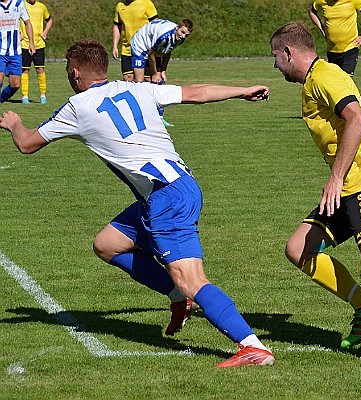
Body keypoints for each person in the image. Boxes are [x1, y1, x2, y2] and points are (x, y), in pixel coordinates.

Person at [0, 39, 275, 368]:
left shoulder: (77, 107)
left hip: (165, 198)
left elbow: (27, 143)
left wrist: (14, 123)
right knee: (107, 245)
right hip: (177, 186)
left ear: (74, 73)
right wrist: (242, 90)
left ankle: (252, 345)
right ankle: (178, 299)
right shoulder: (138, 88)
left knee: (190, 279)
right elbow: (195, 92)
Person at [270, 22, 361, 349]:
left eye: (275, 56)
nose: (274, 65)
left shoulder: (325, 75)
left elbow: (357, 118)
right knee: (299, 248)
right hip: (349, 187)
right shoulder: (317, 78)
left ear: (289, 52)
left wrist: (336, 177)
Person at [309, 0, 361, 75]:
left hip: (350, 48)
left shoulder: (353, 1)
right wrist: (322, 29)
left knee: (346, 79)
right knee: (335, 80)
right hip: (332, 50)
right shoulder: (323, 2)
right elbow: (312, 11)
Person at [130, 18, 193, 84]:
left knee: (159, 80)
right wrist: (154, 73)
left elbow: (167, 52)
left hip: (153, 46)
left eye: (186, 35)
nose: (183, 36)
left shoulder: (180, 38)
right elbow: (151, 54)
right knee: (139, 81)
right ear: (177, 27)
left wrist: (163, 71)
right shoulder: (164, 36)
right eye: (182, 32)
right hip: (140, 44)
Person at [112, 0, 158, 82]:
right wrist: (115, 46)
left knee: (148, 79)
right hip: (127, 50)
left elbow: (156, 25)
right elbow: (117, 26)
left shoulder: (146, 3)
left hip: (144, 50)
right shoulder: (120, 6)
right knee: (128, 78)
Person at [0, 0, 35, 104]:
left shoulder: (18, 3)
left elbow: (27, 23)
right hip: (1, 52)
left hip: (15, 52)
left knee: (15, 85)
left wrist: (31, 43)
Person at [20, 0, 53, 104]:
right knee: (25, 70)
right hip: (25, 44)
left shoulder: (41, 6)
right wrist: (18, 33)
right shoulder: (21, 5)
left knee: (40, 69)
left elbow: (49, 20)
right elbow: (14, 20)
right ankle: (25, 96)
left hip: (39, 44)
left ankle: (43, 95)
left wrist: (45, 32)